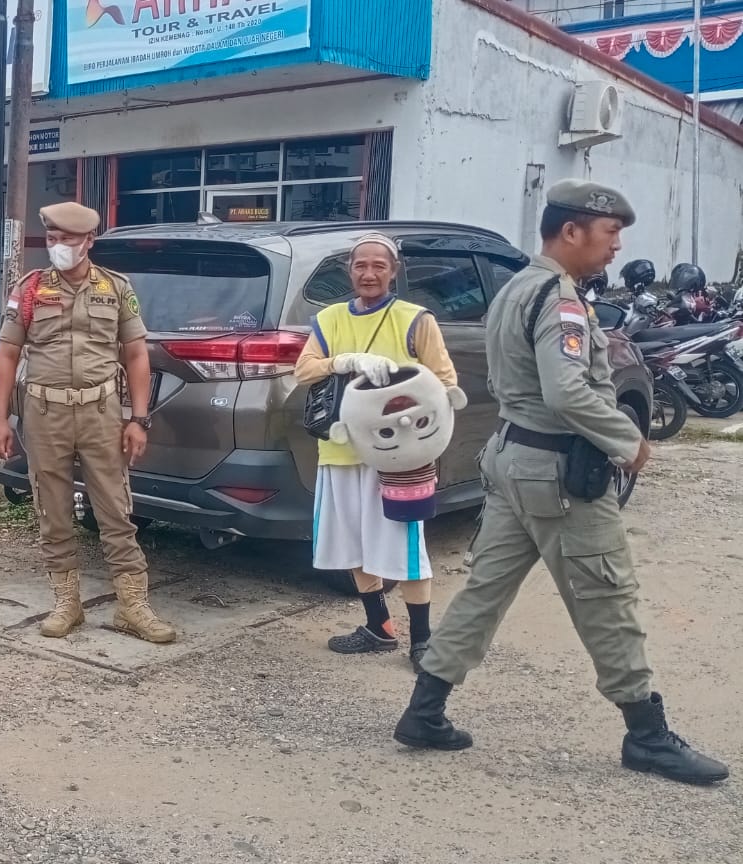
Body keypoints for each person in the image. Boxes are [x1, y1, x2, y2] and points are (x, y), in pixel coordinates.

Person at [393, 180, 729, 786]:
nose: (617, 246)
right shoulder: (559, 299)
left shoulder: (518, 286)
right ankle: (647, 736)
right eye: (609, 233)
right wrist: (629, 442)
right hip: (559, 474)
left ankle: (425, 711)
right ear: (571, 231)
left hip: (515, 459)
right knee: (608, 596)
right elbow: (568, 389)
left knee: (484, 591)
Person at [0, 202, 175, 645]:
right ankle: (66, 603)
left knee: (115, 510)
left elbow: (135, 356)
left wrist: (139, 419)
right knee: (52, 510)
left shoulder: (116, 288)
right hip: (44, 413)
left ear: (89, 241)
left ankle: (132, 606)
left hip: (101, 413)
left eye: (67, 240)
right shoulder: (30, 289)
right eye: (51, 240)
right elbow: (7, 356)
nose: (57, 247)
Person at [295, 233, 459, 671]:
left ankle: (422, 639)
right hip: (341, 449)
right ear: (349, 271)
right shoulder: (328, 320)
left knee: (405, 547)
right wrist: (344, 361)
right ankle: (378, 627)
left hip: (398, 458)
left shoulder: (414, 319)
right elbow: (303, 369)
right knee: (351, 542)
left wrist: (426, 436)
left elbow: (444, 380)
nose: (368, 273)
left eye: (378, 266)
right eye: (360, 265)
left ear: (394, 271)